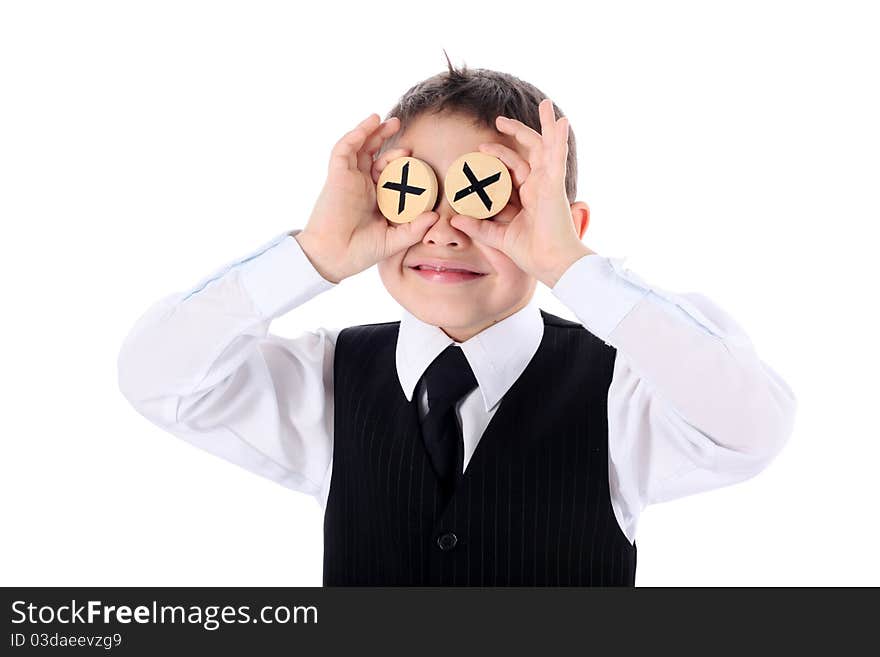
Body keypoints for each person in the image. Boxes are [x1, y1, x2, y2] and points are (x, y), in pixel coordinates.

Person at [117, 60, 797, 586]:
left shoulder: (623, 396)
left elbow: (750, 422)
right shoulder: (327, 384)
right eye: (412, 191)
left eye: (489, 195)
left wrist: (573, 269)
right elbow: (154, 375)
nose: (444, 229)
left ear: (567, 225)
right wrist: (314, 255)